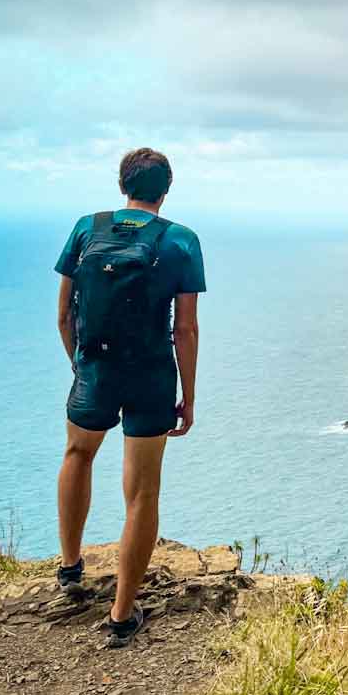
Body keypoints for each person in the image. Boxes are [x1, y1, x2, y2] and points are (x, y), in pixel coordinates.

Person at [53, 148, 205, 647]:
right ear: (166, 189)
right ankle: (122, 614)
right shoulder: (181, 240)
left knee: (78, 454)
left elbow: (64, 315)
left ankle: (70, 569)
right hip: (151, 377)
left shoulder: (86, 228)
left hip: (95, 367)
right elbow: (185, 328)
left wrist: (82, 365)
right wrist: (188, 395)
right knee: (142, 492)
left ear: (123, 185)